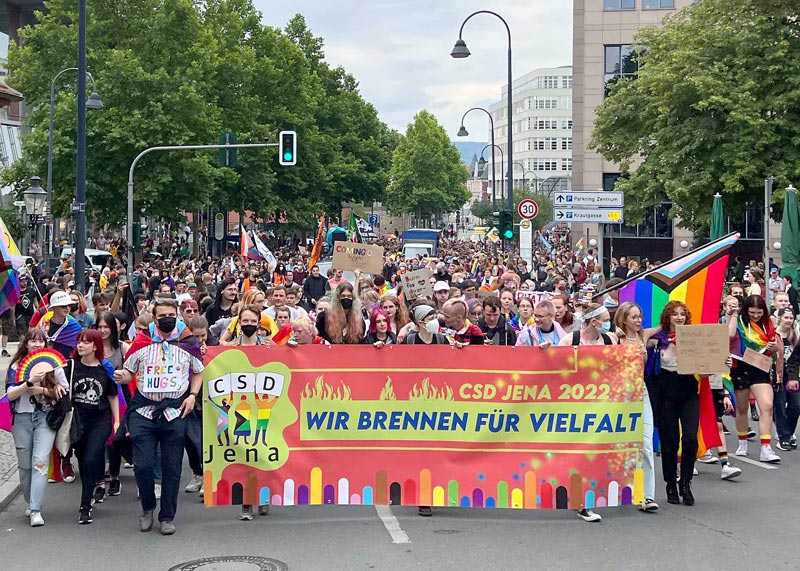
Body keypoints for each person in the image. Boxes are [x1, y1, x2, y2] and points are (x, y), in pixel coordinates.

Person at [115, 297, 204, 535]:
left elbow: (199, 371)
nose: (167, 319)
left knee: (172, 467)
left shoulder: (186, 342)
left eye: (171, 315)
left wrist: (193, 395)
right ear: (154, 318)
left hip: (175, 411)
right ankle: (147, 507)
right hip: (144, 411)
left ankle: (167, 516)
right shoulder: (142, 343)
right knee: (143, 465)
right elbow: (129, 371)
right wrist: (122, 376)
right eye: (162, 316)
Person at [55, 329, 120, 524]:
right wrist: (57, 385)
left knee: (93, 456)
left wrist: (116, 421)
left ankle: (84, 507)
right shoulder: (70, 366)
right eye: (79, 342)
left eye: (85, 342)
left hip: (100, 419)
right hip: (77, 420)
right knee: (83, 460)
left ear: (95, 346)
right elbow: (53, 379)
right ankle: (90, 490)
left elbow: (112, 395)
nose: (81, 345)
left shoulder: (105, 368)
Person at [5, 328, 67, 527]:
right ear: (26, 343)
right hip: (22, 418)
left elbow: (63, 393)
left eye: (41, 341)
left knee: (40, 462)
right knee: (24, 465)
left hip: (45, 417)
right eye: (33, 341)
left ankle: (35, 509)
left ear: (45, 344)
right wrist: (28, 383)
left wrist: (45, 388)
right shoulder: (16, 366)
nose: (37, 345)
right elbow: (10, 395)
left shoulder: (54, 364)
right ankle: (29, 500)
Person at [645, 301, 702, 506]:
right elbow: (641, 337)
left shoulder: (694, 339)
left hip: (688, 390)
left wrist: (721, 364)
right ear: (667, 317)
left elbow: (705, 368)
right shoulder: (657, 340)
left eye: (683, 314)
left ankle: (685, 482)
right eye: (675, 314)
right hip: (665, 392)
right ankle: (670, 483)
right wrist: (663, 330)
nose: (679, 318)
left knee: (689, 438)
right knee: (669, 441)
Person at [613, 302, 658, 512]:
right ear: (623, 319)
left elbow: (666, 326)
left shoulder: (644, 335)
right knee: (618, 447)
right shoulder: (615, 338)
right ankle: (619, 488)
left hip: (641, 393)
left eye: (640, 316)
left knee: (646, 445)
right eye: (634, 317)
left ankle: (647, 496)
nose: (638, 321)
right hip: (619, 397)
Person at [728, 295, 782, 463]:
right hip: (740, 366)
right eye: (752, 312)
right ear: (746, 310)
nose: (756, 316)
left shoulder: (768, 324)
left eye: (759, 313)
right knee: (742, 408)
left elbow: (776, 348)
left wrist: (773, 348)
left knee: (767, 405)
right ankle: (742, 443)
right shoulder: (739, 321)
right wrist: (733, 315)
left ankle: (766, 447)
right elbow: (729, 336)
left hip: (760, 366)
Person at [231, 304, 271, 521]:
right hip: (242, 409)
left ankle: (263, 495)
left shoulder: (269, 346)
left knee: (263, 452)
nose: (248, 325)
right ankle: (246, 503)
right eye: (244, 321)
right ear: (239, 323)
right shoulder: (229, 348)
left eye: (252, 322)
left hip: (264, 407)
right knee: (245, 453)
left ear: (259, 323)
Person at [94, 312, 130, 499]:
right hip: (97, 400)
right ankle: (99, 480)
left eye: (106, 327)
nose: (102, 331)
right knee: (98, 441)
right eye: (99, 327)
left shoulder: (122, 348)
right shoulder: (92, 347)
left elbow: (133, 369)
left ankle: (114, 476)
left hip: (120, 398)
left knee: (115, 440)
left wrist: (123, 374)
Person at [775, 308, 800, 451]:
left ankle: (789, 434)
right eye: (786, 317)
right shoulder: (773, 334)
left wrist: (793, 377)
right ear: (780, 318)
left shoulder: (796, 336)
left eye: (791, 318)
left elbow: (795, 360)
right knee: (779, 406)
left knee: (796, 406)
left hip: (792, 375)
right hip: (777, 375)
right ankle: (783, 438)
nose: (789, 320)